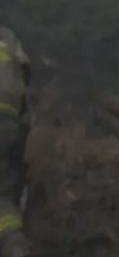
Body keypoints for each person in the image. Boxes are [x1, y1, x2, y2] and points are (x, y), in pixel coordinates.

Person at [0, 28, 32, 257]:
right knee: (3, 195)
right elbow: (26, 69)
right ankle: (15, 248)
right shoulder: (7, 37)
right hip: (10, 124)